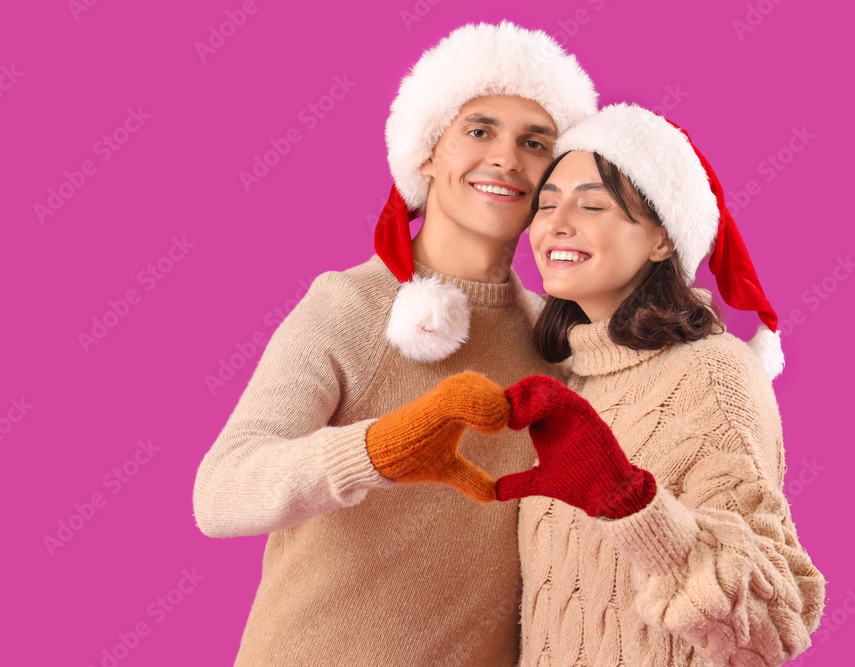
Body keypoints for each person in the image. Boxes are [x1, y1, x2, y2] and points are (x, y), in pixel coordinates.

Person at [192, 21, 597, 666]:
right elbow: (221, 490)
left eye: (535, 141)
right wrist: (377, 450)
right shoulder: (351, 307)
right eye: (479, 129)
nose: (506, 157)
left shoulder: (558, 339)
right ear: (427, 154)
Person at [486, 103, 825, 665]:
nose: (555, 223)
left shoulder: (710, 374)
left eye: (592, 204)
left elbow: (771, 624)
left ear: (663, 240)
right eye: (546, 205)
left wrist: (633, 506)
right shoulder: (573, 381)